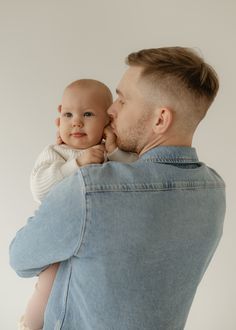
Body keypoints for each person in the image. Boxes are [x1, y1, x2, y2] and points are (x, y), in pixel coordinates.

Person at [10, 47, 226, 330]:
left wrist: (70, 164)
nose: (110, 111)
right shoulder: (214, 190)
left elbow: (21, 258)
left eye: (122, 100)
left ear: (160, 119)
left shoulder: (91, 188)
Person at [18, 79, 138, 330]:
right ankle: (30, 324)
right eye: (68, 114)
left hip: (100, 244)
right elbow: (40, 188)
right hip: (59, 239)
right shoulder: (57, 154)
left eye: (88, 114)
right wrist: (77, 165)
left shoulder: (111, 153)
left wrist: (115, 152)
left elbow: (134, 181)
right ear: (59, 117)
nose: (76, 122)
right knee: (47, 288)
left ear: (108, 121)